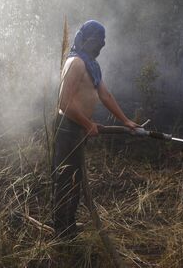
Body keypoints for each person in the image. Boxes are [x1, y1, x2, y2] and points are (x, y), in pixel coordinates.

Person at [52, 20, 138, 239]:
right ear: (88, 39)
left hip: (78, 128)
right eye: (99, 41)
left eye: (103, 41)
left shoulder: (91, 65)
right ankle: (61, 230)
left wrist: (125, 121)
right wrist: (88, 124)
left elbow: (105, 95)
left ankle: (68, 224)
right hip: (68, 128)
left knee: (75, 178)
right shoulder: (76, 63)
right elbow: (64, 102)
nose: (102, 45)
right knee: (66, 177)